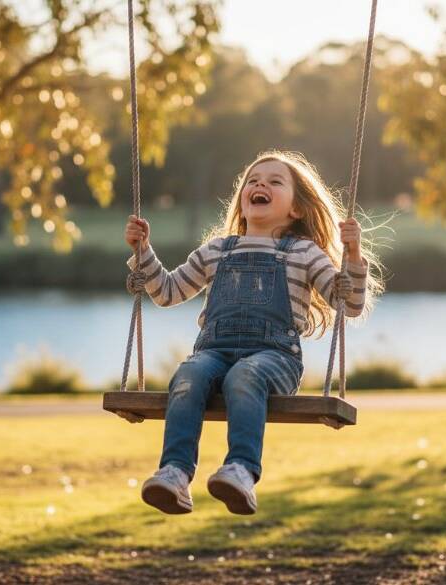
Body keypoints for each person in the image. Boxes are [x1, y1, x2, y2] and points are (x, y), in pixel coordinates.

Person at [120, 150, 382, 515]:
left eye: (275, 182)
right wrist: (143, 250)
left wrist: (352, 257)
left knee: (245, 374)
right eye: (253, 181)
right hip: (214, 353)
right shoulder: (216, 250)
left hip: (275, 359)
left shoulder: (304, 253)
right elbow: (166, 291)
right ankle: (175, 474)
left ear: (297, 209)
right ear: (243, 200)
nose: (260, 185)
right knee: (188, 373)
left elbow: (348, 305)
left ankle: (241, 470)